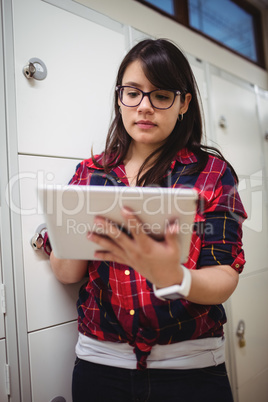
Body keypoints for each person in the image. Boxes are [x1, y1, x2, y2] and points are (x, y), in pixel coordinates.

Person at [49, 38, 247, 402]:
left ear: (184, 102)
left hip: (192, 369)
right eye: (133, 93)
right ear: (119, 97)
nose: (144, 107)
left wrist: (174, 276)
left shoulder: (212, 173)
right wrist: (70, 231)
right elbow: (67, 273)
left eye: (160, 96)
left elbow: (224, 275)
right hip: (100, 366)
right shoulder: (89, 173)